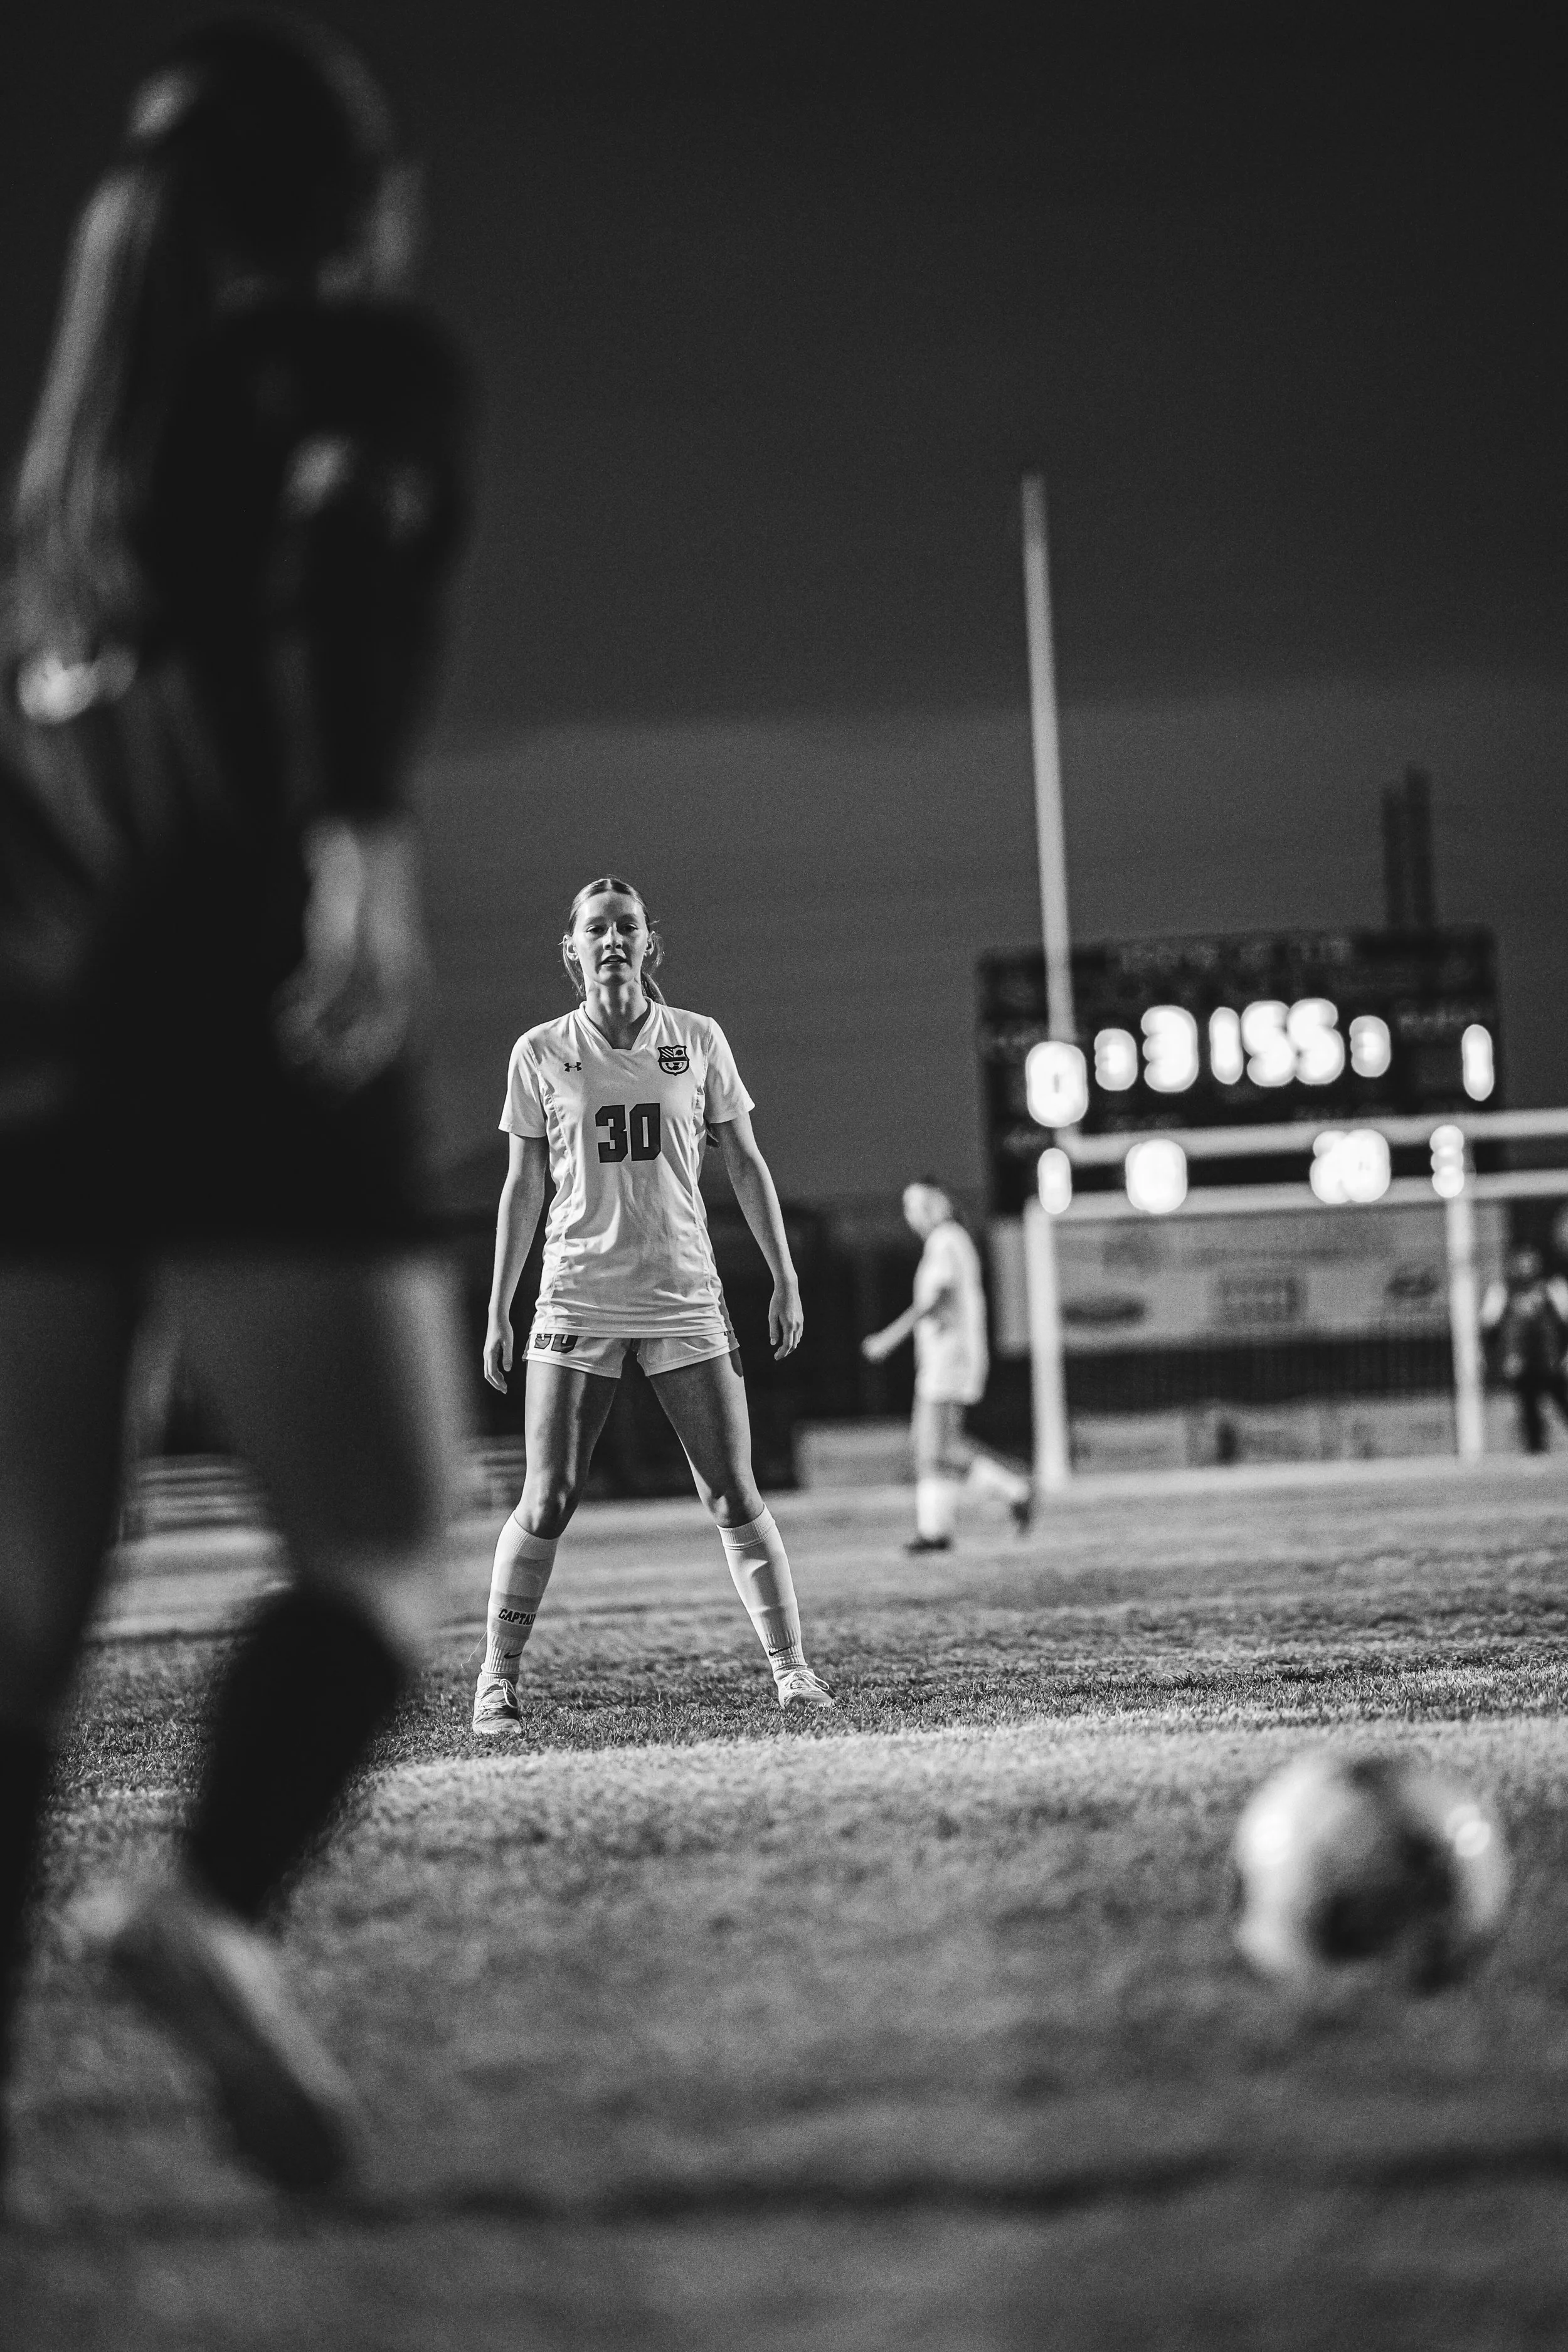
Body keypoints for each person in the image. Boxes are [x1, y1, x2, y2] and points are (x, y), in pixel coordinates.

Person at [0, 21, 469, 2193]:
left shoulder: (57, 493)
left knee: (21, 1600)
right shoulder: (351, 371)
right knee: (375, 1551)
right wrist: (363, 837)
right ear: (347, 205)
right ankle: (203, 1899)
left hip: (33, 1035)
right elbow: (345, 585)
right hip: (239, 1003)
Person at [475, 876, 834, 1730]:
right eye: (595, 929)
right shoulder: (539, 1051)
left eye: (625, 927)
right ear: (572, 947)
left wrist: (783, 1273)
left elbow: (745, 1162)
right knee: (550, 1492)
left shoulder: (698, 1040)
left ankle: (792, 1669)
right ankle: (497, 1677)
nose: (611, 941)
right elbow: (523, 1187)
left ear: (649, 943)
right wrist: (500, 1306)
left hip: (683, 1294)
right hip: (577, 1294)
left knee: (732, 1491)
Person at [862, 1182, 1032, 1552]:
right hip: (947, 1355)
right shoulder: (949, 1241)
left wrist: (889, 1338)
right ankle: (939, 1528)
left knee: (935, 1447)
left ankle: (1011, 1492)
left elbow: (934, 1299)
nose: (910, 1213)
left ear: (935, 1206)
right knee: (934, 1447)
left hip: (950, 1357)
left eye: (915, 1204)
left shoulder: (946, 1240)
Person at [1480, 1244, 1568, 1454]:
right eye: (1522, 1261)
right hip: (1520, 1361)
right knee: (1529, 1407)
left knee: (1563, 1401)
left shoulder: (1553, 1287)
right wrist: (1494, 1358)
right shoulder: (1502, 1290)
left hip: (1550, 1359)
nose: (1527, 1266)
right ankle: (1536, 1450)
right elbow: (1489, 1327)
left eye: (1531, 1261)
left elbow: (1565, 1323)